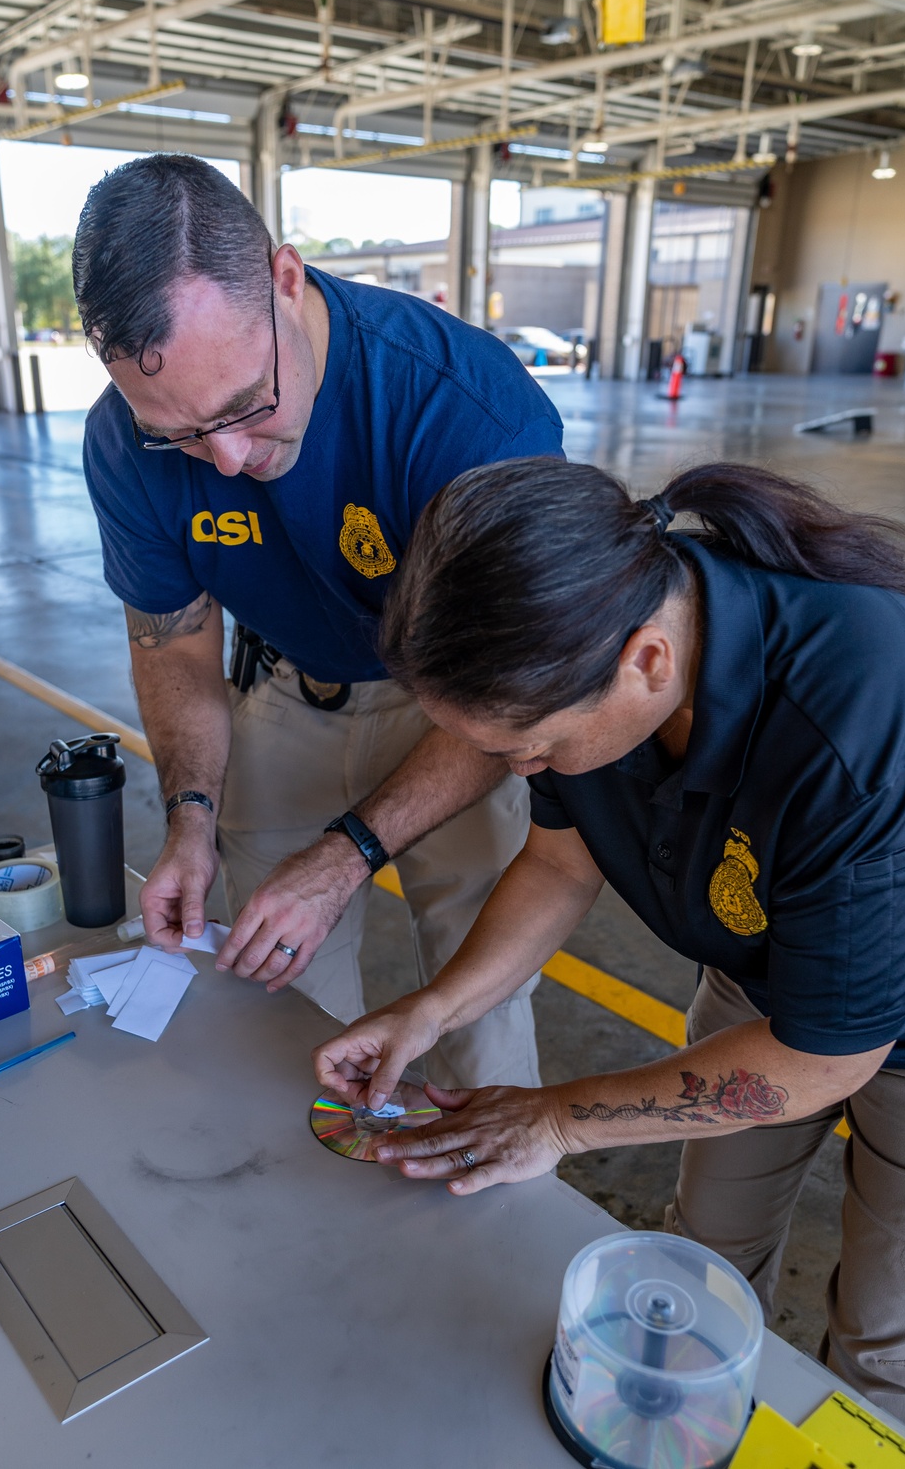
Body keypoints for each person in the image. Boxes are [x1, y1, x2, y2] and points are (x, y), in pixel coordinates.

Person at [313, 456, 905, 1422]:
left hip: (867, 1027)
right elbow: (559, 865)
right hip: (769, 985)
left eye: (529, 750)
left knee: (886, 1342)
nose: (523, 768)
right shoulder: (597, 659)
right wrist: (431, 1011)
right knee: (700, 1263)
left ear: (647, 663)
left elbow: (828, 1054)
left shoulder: (857, 713)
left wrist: (560, 1118)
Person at [71, 153, 563, 1088]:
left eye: (245, 407)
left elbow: (525, 689)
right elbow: (174, 645)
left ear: (285, 282)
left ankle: (486, 1211)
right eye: (177, 433)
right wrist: (190, 817)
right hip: (292, 688)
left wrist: (347, 857)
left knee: (477, 995)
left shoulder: (466, 415)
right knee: (275, 994)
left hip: (461, 708)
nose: (222, 460)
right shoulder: (119, 441)